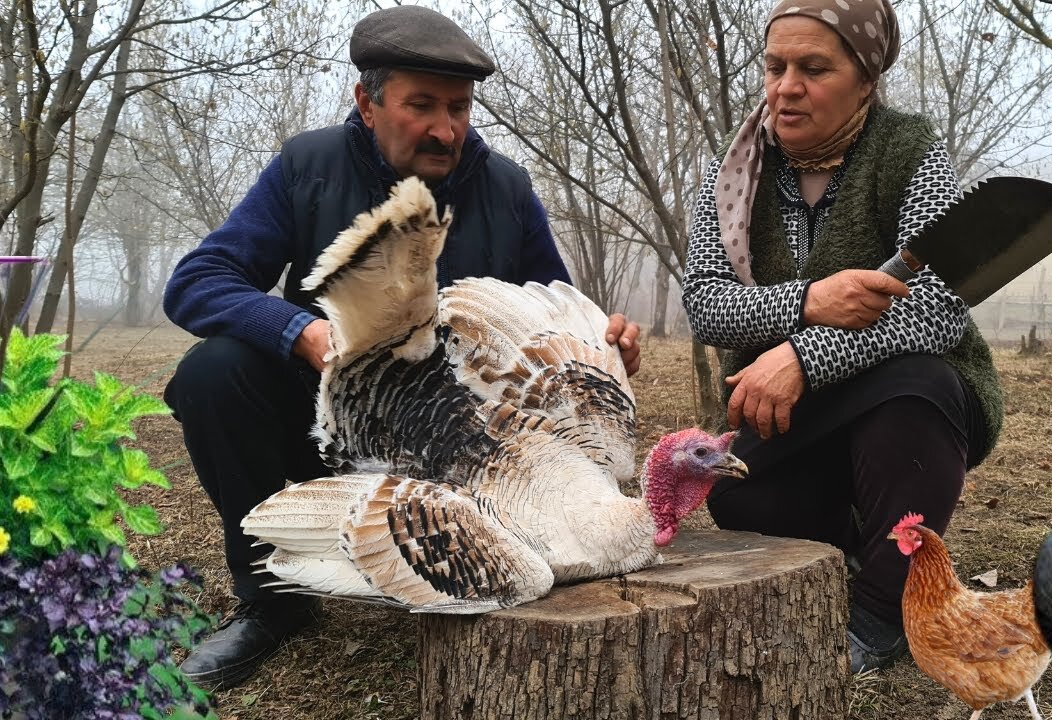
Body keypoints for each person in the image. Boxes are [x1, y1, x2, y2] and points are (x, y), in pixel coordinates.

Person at [162, 5, 641, 691]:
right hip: (328, 424)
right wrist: (302, 332)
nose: (445, 129)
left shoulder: (504, 190)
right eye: (421, 105)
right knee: (214, 372)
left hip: (466, 454)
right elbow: (197, 282)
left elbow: (552, 306)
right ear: (368, 101)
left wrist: (608, 340)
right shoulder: (309, 168)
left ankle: (450, 567)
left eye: (459, 107)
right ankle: (273, 602)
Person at [681, 0, 1004, 673]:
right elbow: (708, 306)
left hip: (917, 400)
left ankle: (884, 615)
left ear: (865, 77)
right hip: (790, 407)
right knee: (738, 489)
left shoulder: (907, 152)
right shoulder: (734, 171)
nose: (785, 86)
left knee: (914, 390)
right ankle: (859, 550)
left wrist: (804, 354)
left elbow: (936, 308)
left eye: (813, 68)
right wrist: (810, 301)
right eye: (775, 66)